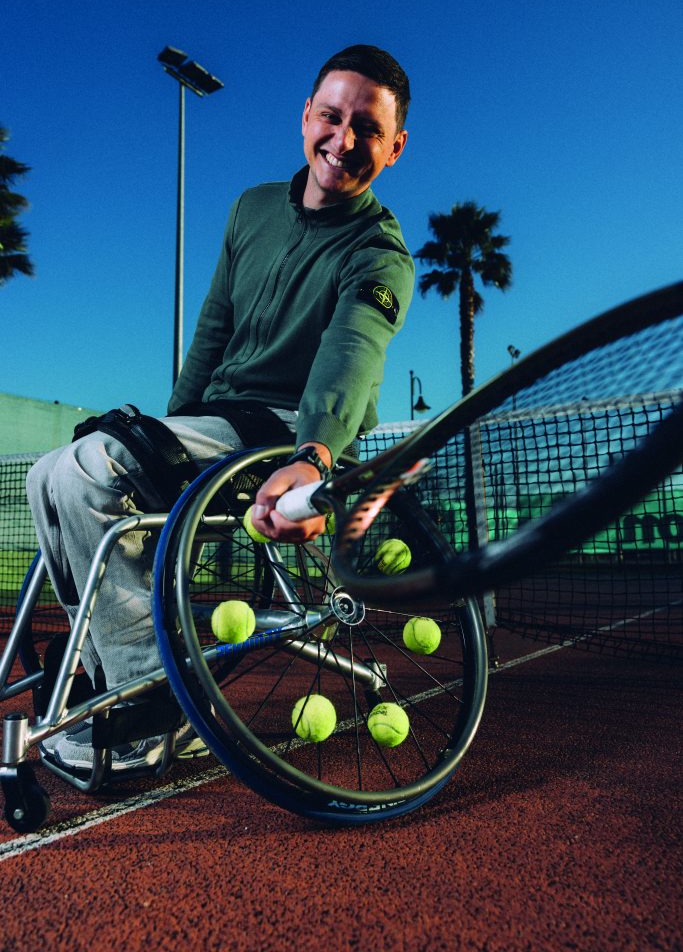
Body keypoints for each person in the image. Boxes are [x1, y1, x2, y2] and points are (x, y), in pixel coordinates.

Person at [27, 43, 414, 771]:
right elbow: (210, 333)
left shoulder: (380, 254)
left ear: (394, 148)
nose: (343, 140)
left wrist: (313, 455)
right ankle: (113, 673)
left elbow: (352, 354)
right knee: (47, 473)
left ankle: (149, 701)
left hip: (287, 437)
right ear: (306, 117)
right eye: (330, 117)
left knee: (86, 469)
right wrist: (158, 439)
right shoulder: (251, 208)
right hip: (215, 423)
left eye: (367, 129)